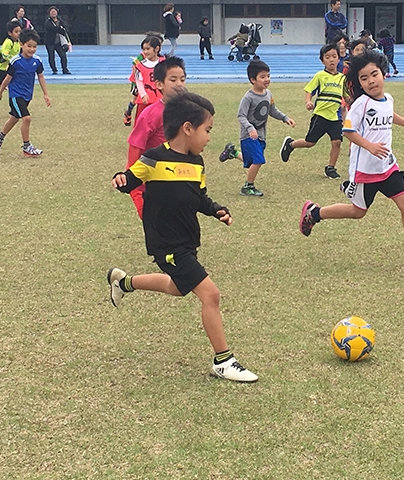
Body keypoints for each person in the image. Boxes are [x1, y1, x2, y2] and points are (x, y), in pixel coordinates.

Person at [108, 91, 259, 383]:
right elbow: (131, 178)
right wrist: (121, 179)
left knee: (178, 288)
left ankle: (123, 281)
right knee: (210, 295)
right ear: (187, 128)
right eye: (207, 130)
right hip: (166, 242)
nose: (209, 137)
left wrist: (216, 209)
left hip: (188, 241)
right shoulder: (153, 159)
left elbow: (198, 197)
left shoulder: (197, 163)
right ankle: (223, 361)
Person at [299, 50, 404, 266]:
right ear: (359, 83)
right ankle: (315, 213)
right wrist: (370, 146)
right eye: (364, 78)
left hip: (387, 165)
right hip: (365, 170)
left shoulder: (388, 98)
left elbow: (389, 114)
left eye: (374, 74)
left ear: (383, 73)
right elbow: (347, 130)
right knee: (358, 212)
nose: (370, 81)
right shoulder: (361, 104)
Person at [126, 55, 187, 218]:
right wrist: (134, 186)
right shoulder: (150, 114)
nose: (179, 84)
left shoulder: (187, 111)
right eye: (173, 80)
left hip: (177, 183)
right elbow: (135, 149)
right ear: (159, 84)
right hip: (152, 186)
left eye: (182, 79)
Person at [279, 43, 345, 180]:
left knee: (337, 142)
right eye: (327, 57)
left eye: (334, 56)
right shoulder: (320, 75)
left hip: (335, 117)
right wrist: (308, 101)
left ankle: (331, 167)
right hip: (320, 115)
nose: (331, 60)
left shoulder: (342, 78)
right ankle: (290, 144)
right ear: (322, 60)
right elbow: (309, 90)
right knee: (310, 142)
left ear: (339, 58)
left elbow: (347, 96)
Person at [234, 60, 295, 197]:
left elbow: (272, 110)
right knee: (259, 160)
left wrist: (285, 118)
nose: (267, 79)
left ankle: (233, 153)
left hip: (261, 134)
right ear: (252, 79)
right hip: (249, 136)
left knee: (251, 161)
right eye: (262, 77)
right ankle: (248, 186)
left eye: (268, 75)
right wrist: (250, 128)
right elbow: (241, 115)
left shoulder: (268, 94)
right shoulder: (248, 97)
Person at [0, 28, 51, 156]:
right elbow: (7, 78)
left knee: (15, 118)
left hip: (27, 95)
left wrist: (46, 94)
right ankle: (27, 147)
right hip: (15, 95)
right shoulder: (15, 61)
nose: (32, 49)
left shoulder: (37, 61)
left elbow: (40, 76)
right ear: (21, 45)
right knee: (27, 118)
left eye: (34, 46)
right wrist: (1, 91)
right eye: (29, 46)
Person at [130, 35, 164, 125]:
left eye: (148, 49)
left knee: (161, 124)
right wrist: (143, 94)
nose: (145, 52)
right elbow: (139, 81)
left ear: (156, 49)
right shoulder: (140, 65)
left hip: (161, 99)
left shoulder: (164, 63)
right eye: (144, 49)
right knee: (141, 123)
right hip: (145, 101)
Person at [44, 6, 71, 75]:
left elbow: (65, 28)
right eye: (52, 11)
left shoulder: (60, 21)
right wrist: (59, 28)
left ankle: (65, 69)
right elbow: (52, 28)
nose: (53, 13)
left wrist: (60, 29)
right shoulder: (48, 21)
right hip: (50, 42)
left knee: (63, 55)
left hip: (59, 42)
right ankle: (54, 69)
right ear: (49, 13)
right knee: (51, 56)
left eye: (54, 11)